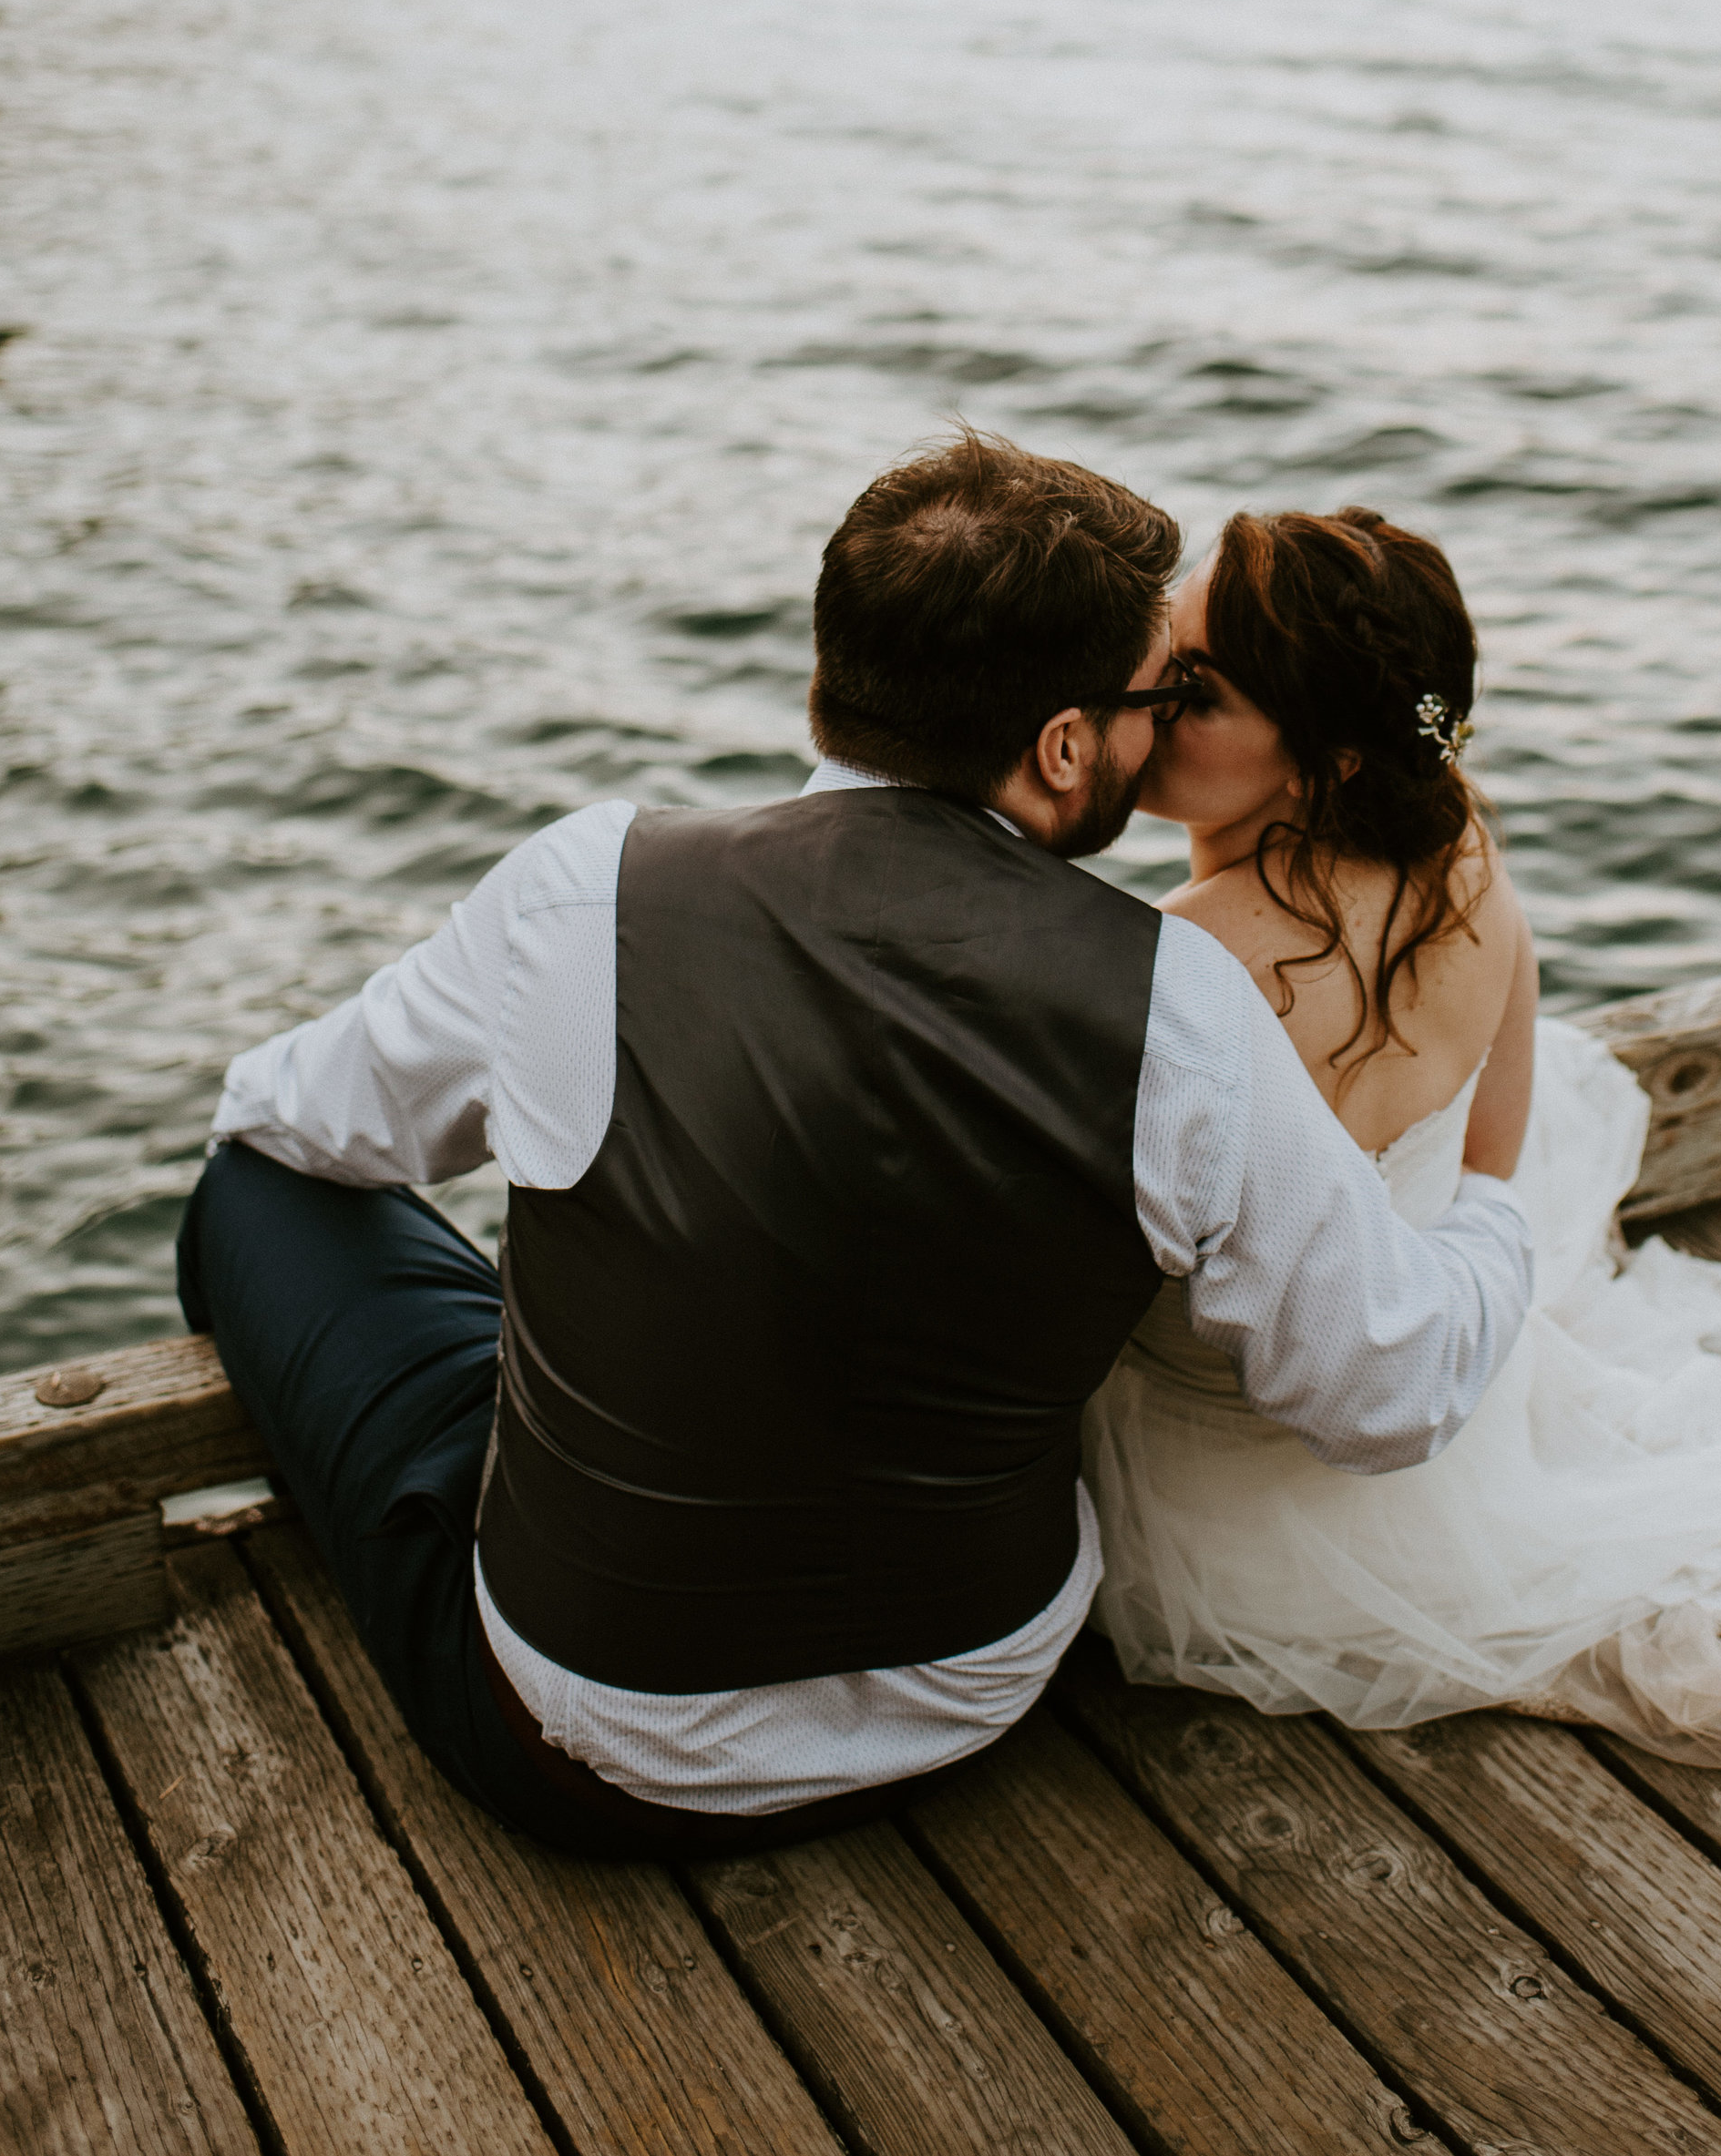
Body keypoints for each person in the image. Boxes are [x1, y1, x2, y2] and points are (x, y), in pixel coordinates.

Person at [179, 434, 1535, 1855]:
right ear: (1065, 745)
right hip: (976, 1693)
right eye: (1160, 694)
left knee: (250, 1189)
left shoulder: (587, 891)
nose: (1164, 724)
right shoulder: (1179, 1000)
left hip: (589, 1748)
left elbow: (301, 1119)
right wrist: (1498, 1198)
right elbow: (1393, 1388)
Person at [1082, 504, 1721, 1762]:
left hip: (1193, 1483)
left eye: (1199, 687)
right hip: (1420, 1410)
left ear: (1329, 758)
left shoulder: (1175, 961)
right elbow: (1491, 1162)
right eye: (1159, 652)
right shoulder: (1466, 863)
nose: (1145, 692)